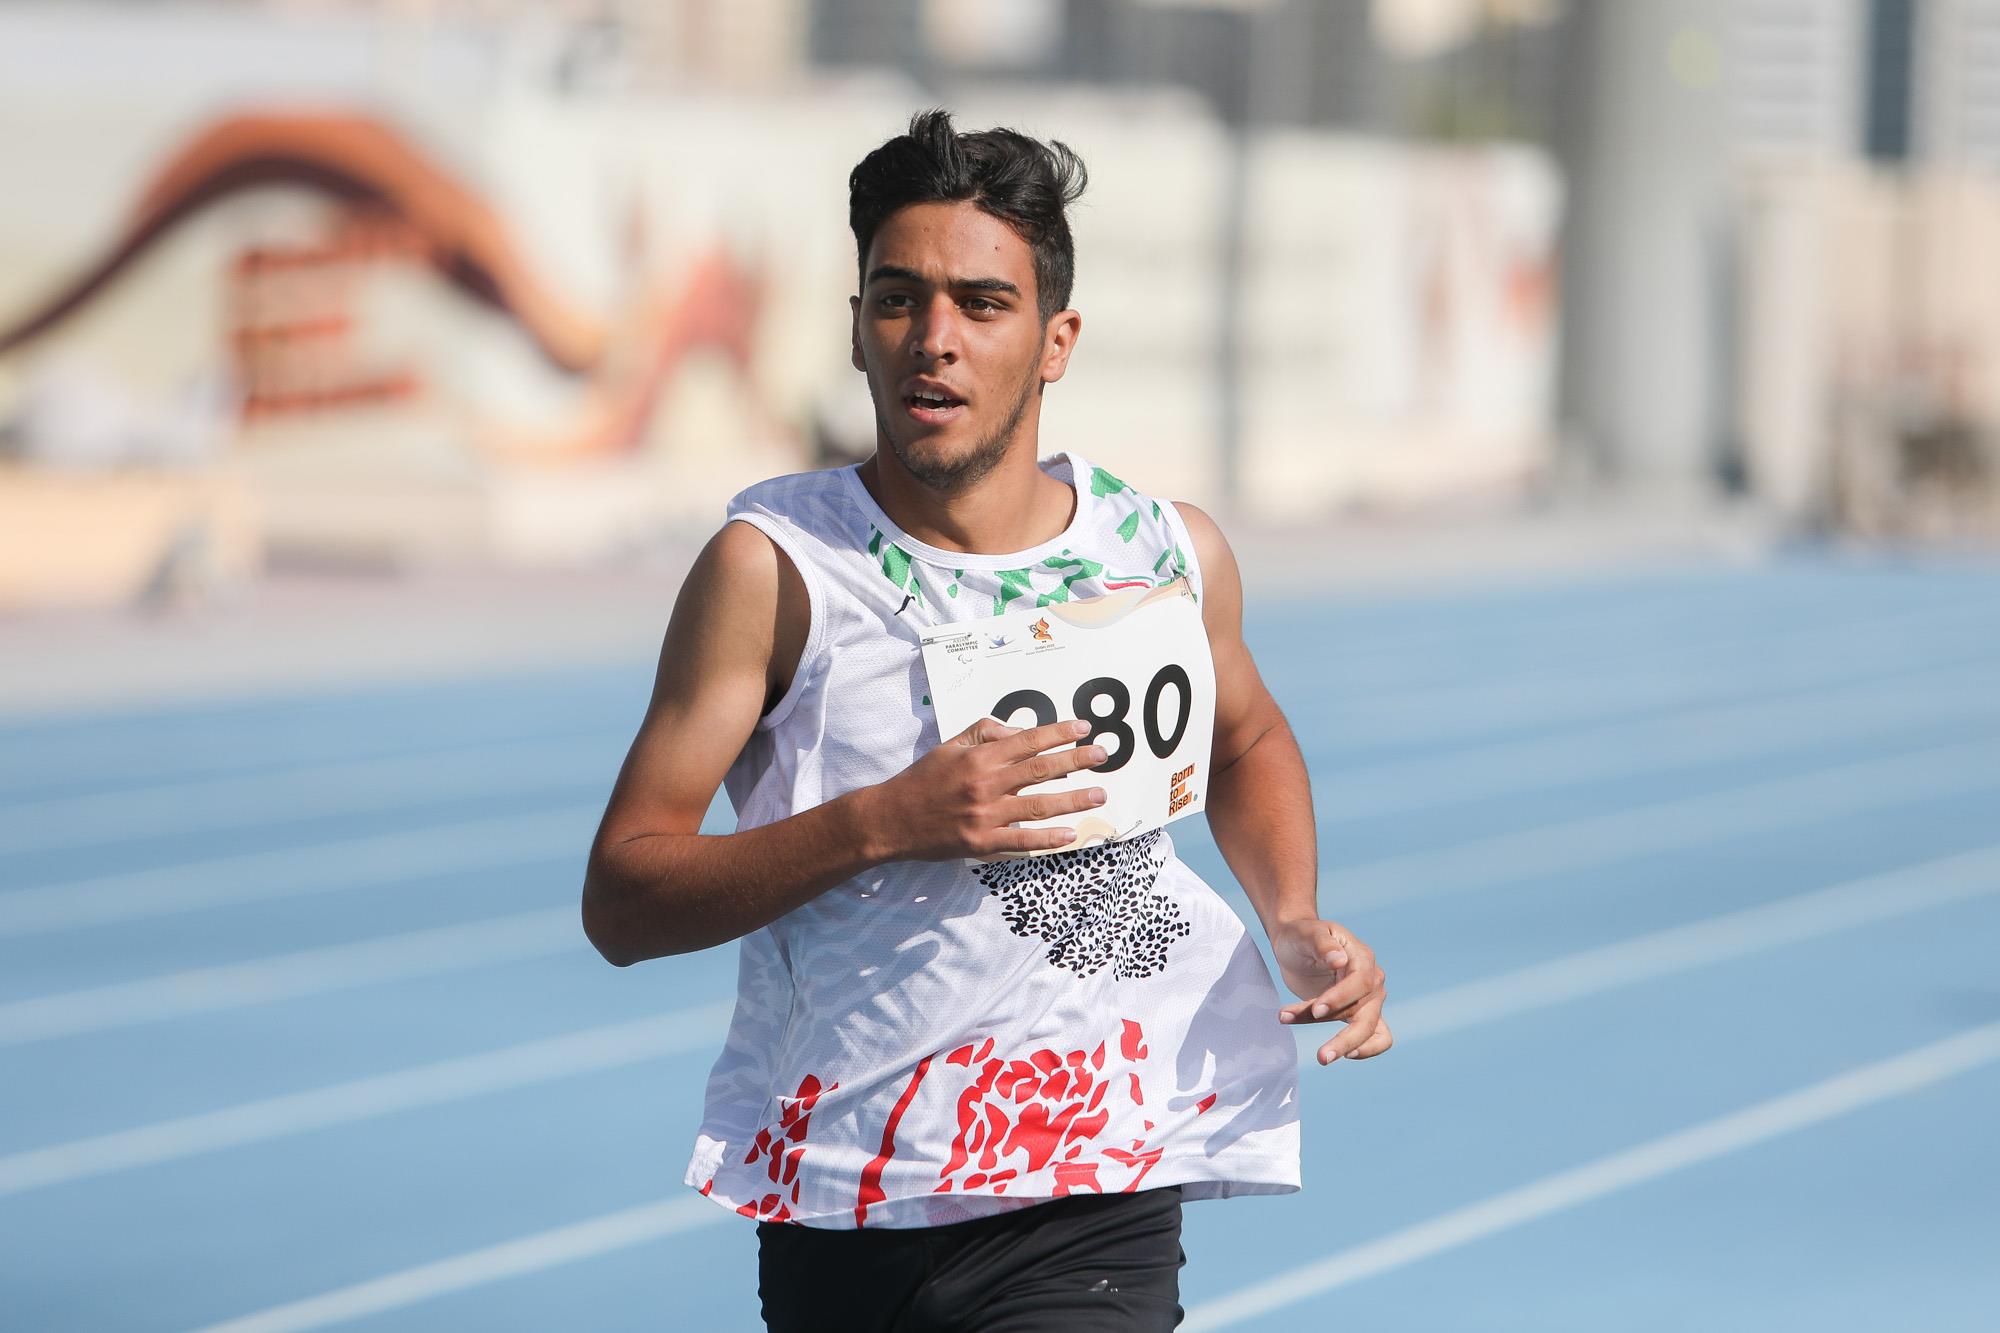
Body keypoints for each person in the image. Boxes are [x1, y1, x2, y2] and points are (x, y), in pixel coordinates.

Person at [582, 110, 1391, 1332]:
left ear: (1056, 340)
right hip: (847, 1196)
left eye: (981, 303)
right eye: (897, 299)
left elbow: (1244, 738)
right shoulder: (776, 571)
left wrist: (1292, 916)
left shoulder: (1161, 555)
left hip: (1091, 1195)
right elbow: (622, 900)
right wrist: (880, 823)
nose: (934, 340)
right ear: (855, 326)